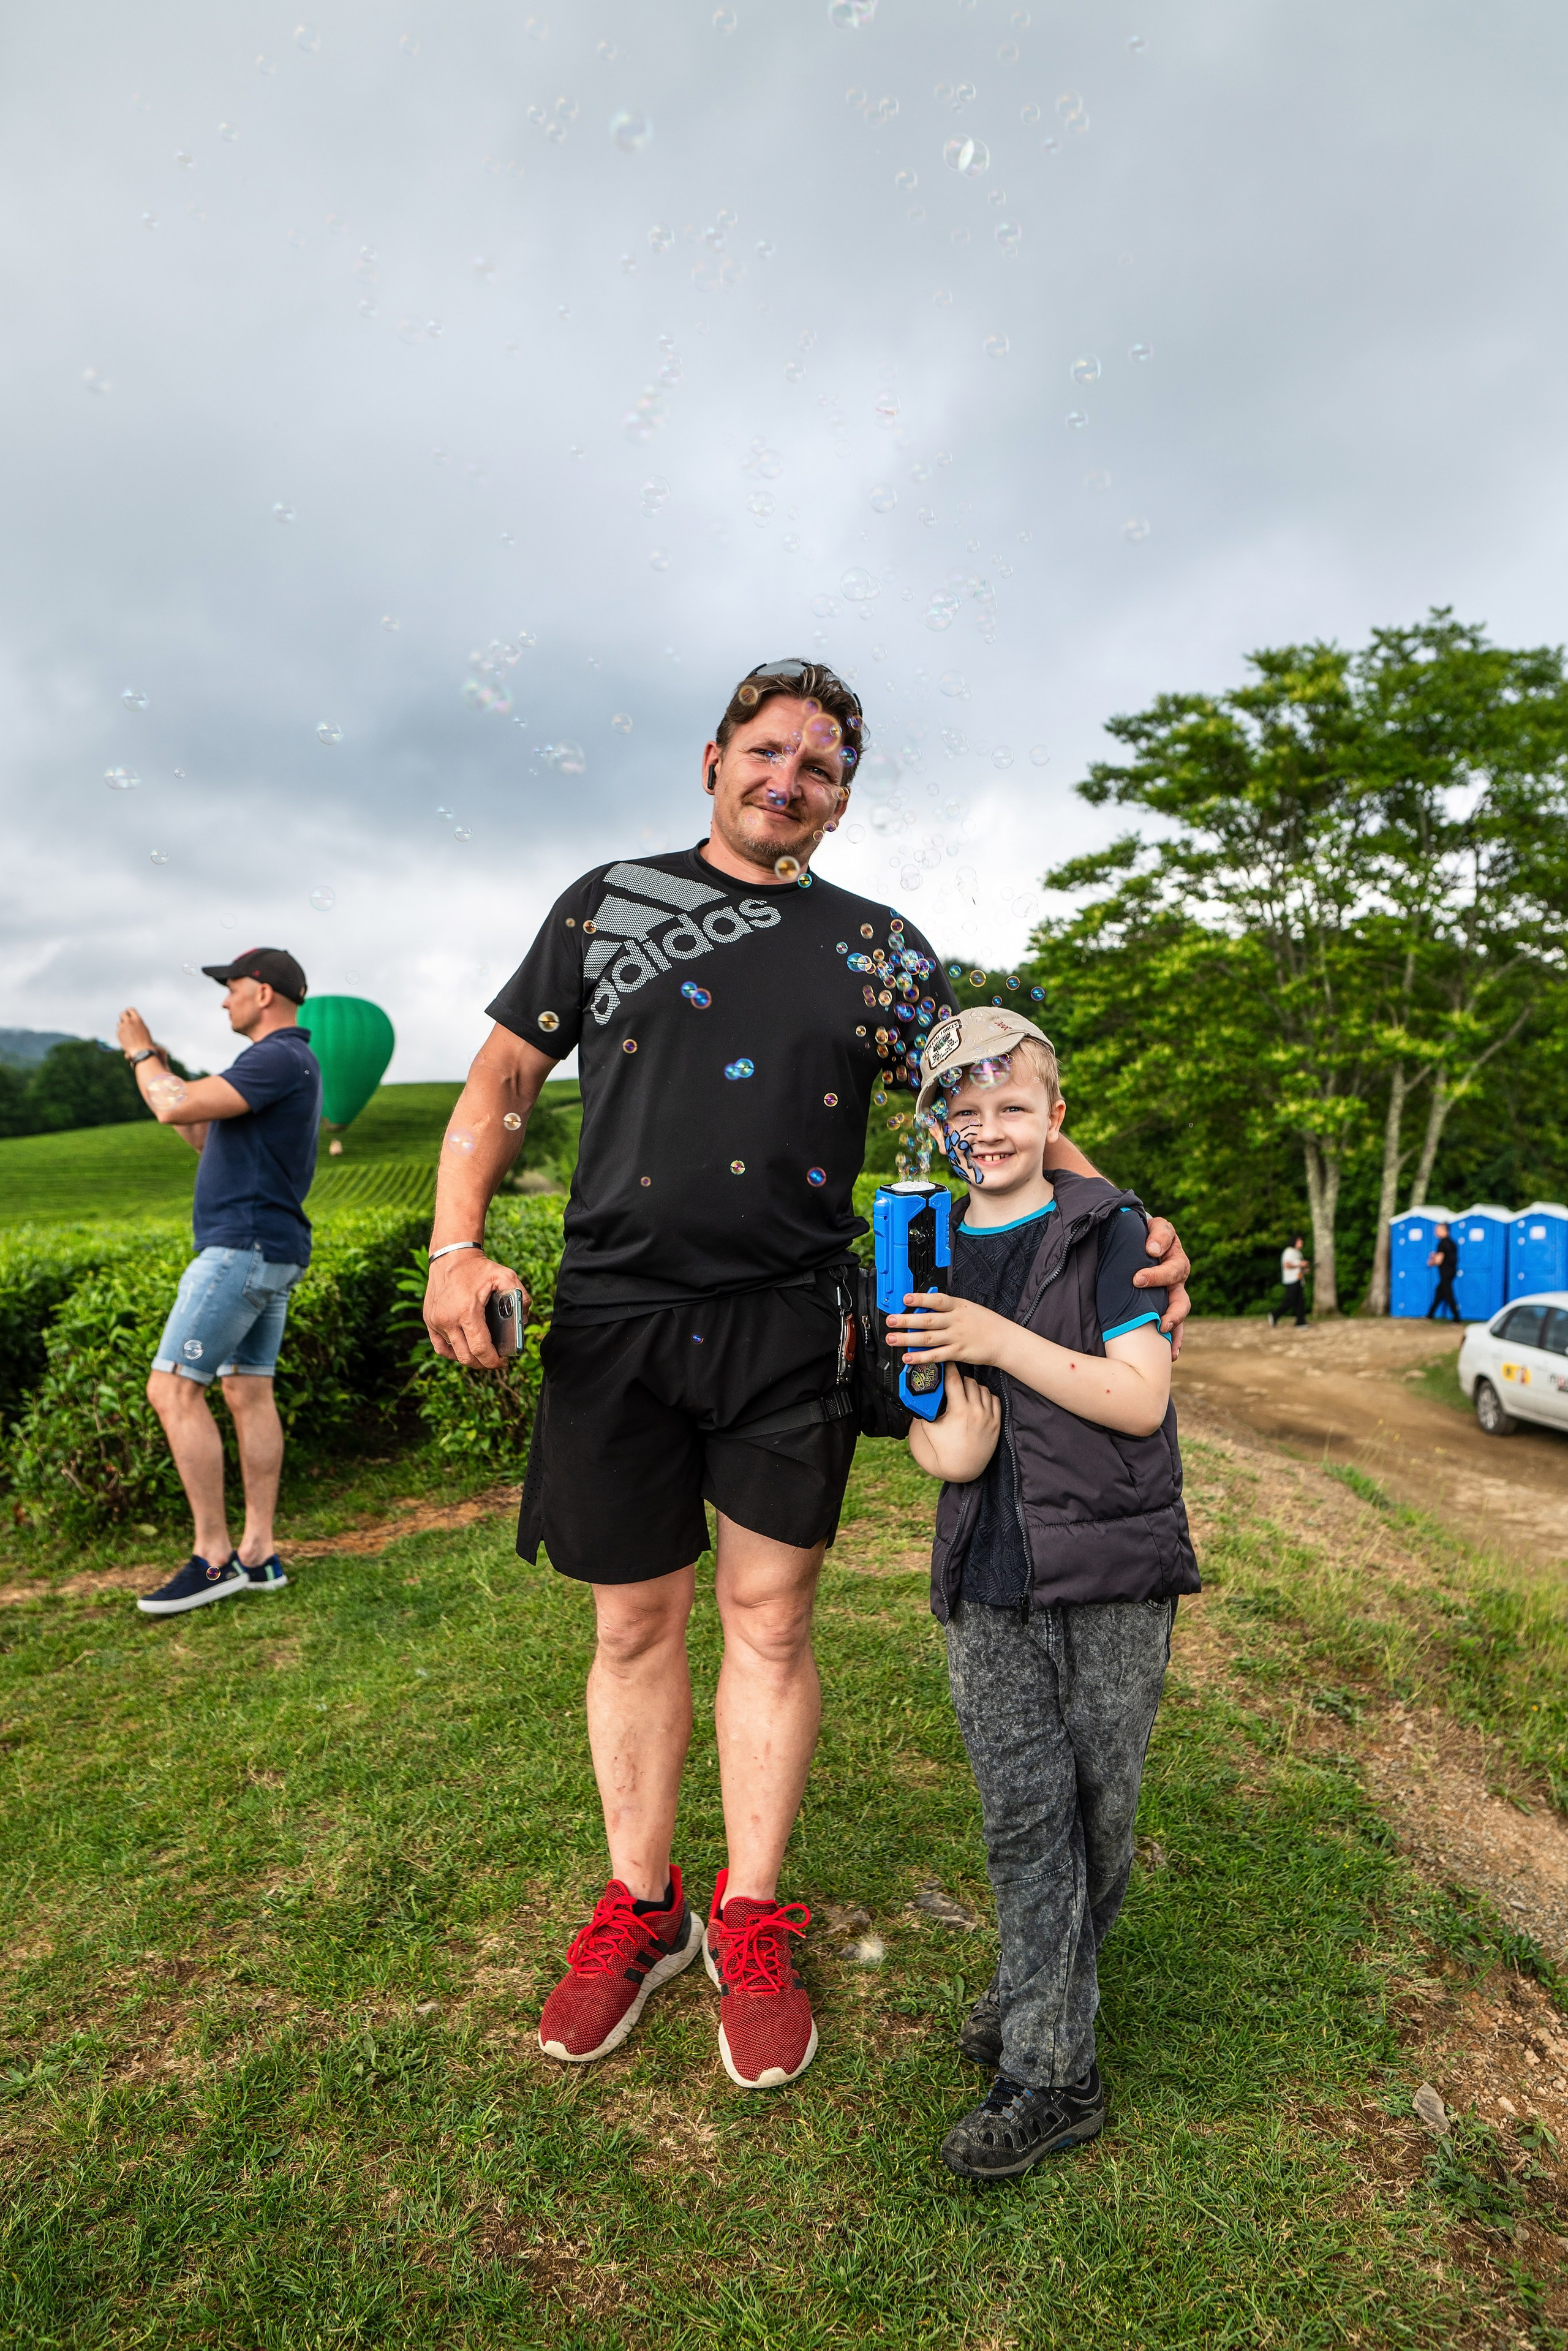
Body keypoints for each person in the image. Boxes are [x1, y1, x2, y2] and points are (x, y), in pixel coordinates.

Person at [421, 659, 1194, 2093]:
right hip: (617, 1318)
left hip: (793, 1324)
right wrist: (452, 1245)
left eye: (820, 764)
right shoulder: (610, 905)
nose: (789, 777)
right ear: (712, 758)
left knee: (768, 1625)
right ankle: (641, 1908)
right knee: (632, 1627)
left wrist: (1123, 1219)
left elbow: (995, 1110)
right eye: (766, 750)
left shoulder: (880, 952)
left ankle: (750, 1914)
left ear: (842, 797)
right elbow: (499, 1087)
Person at [886, 1007, 1198, 2181]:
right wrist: (947, 1456)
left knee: (1098, 1809)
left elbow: (1137, 1399)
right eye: (963, 1113)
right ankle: (1055, 2069)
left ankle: (1038, 1988)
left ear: (1056, 1118)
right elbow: (931, 1418)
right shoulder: (927, 1249)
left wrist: (1000, 1338)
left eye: (1013, 1107)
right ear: (938, 1126)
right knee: (1023, 1811)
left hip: (1115, 1573)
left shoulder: (1109, 1230)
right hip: (989, 1571)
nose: (989, 1130)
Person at [117, 949, 322, 1617]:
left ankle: (212, 1559)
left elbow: (172, 1108)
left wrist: (141, 1055)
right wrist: (167, 1072)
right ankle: (258, 1555)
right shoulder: (285, 1064)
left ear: (263, 992)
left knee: (172, 1388)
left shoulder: (275, 1056)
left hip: (239, 1247)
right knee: (246, 1390)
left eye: (230, 988)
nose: (223, 999)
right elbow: (202, 1131)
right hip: (273, 1250)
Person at [1270, 1234, 1310, 1327]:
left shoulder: (1298, 1253)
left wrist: (1305, 1269)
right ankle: (1275, 1315)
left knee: (1300, 1301)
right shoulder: (1289, 1251)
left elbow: (1299, 1266)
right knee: (1291, 1301)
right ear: (1295, 1241)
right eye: (1300, 1241)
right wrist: (1300, 1264)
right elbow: (1287, 1265)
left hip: (1299, 1279)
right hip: (1291, 1280)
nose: (1302, 1242)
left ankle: (1301, 1322)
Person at [1426, 1221, 1461, 1321]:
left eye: (1437, 1230)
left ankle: (1457, 1319)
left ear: (1444, 1230)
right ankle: (1430, 1315)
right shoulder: (1453, 1243)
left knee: (1449, 1295)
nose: (1435, 1232)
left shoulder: (1442, 1244)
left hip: (1445, 1274)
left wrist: (1431, 1260)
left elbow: (1438, 1261)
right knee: (1439, 1292)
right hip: (1452, 1272)